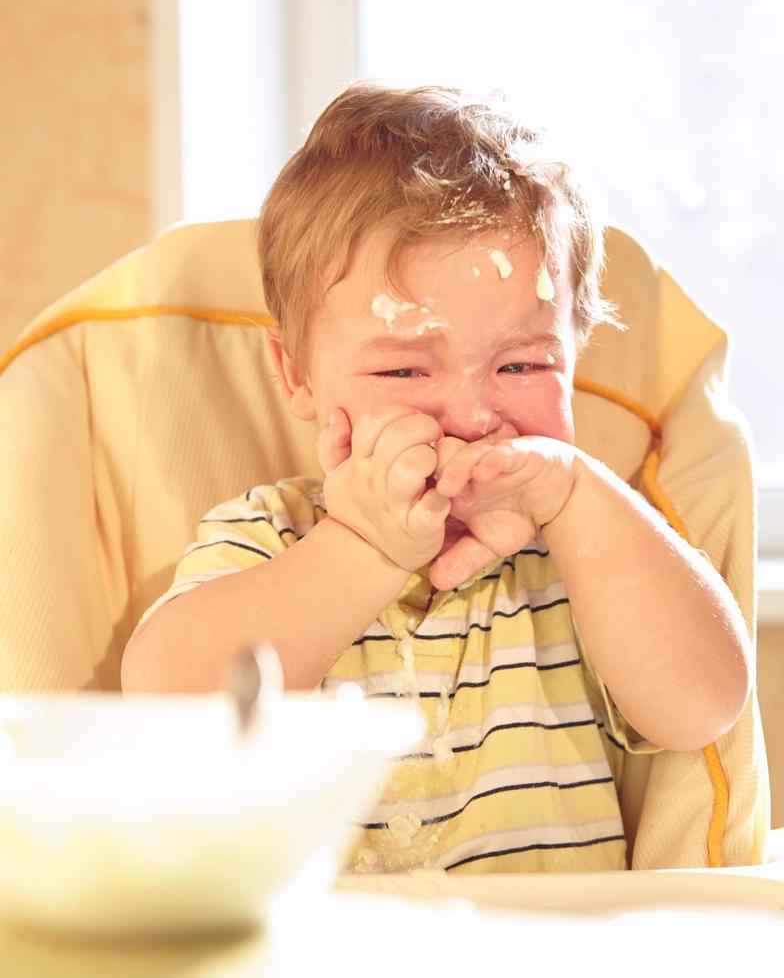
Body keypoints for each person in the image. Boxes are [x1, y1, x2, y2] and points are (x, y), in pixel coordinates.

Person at [121, 82, 751, 873]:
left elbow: (702, 707)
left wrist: (575, 497)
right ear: (299, 376)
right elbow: (165, 705)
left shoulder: (584, 558)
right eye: (402, 368)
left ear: (575, 360)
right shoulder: (273, 537)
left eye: (523, 364)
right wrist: (363, 549)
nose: (473, 413)